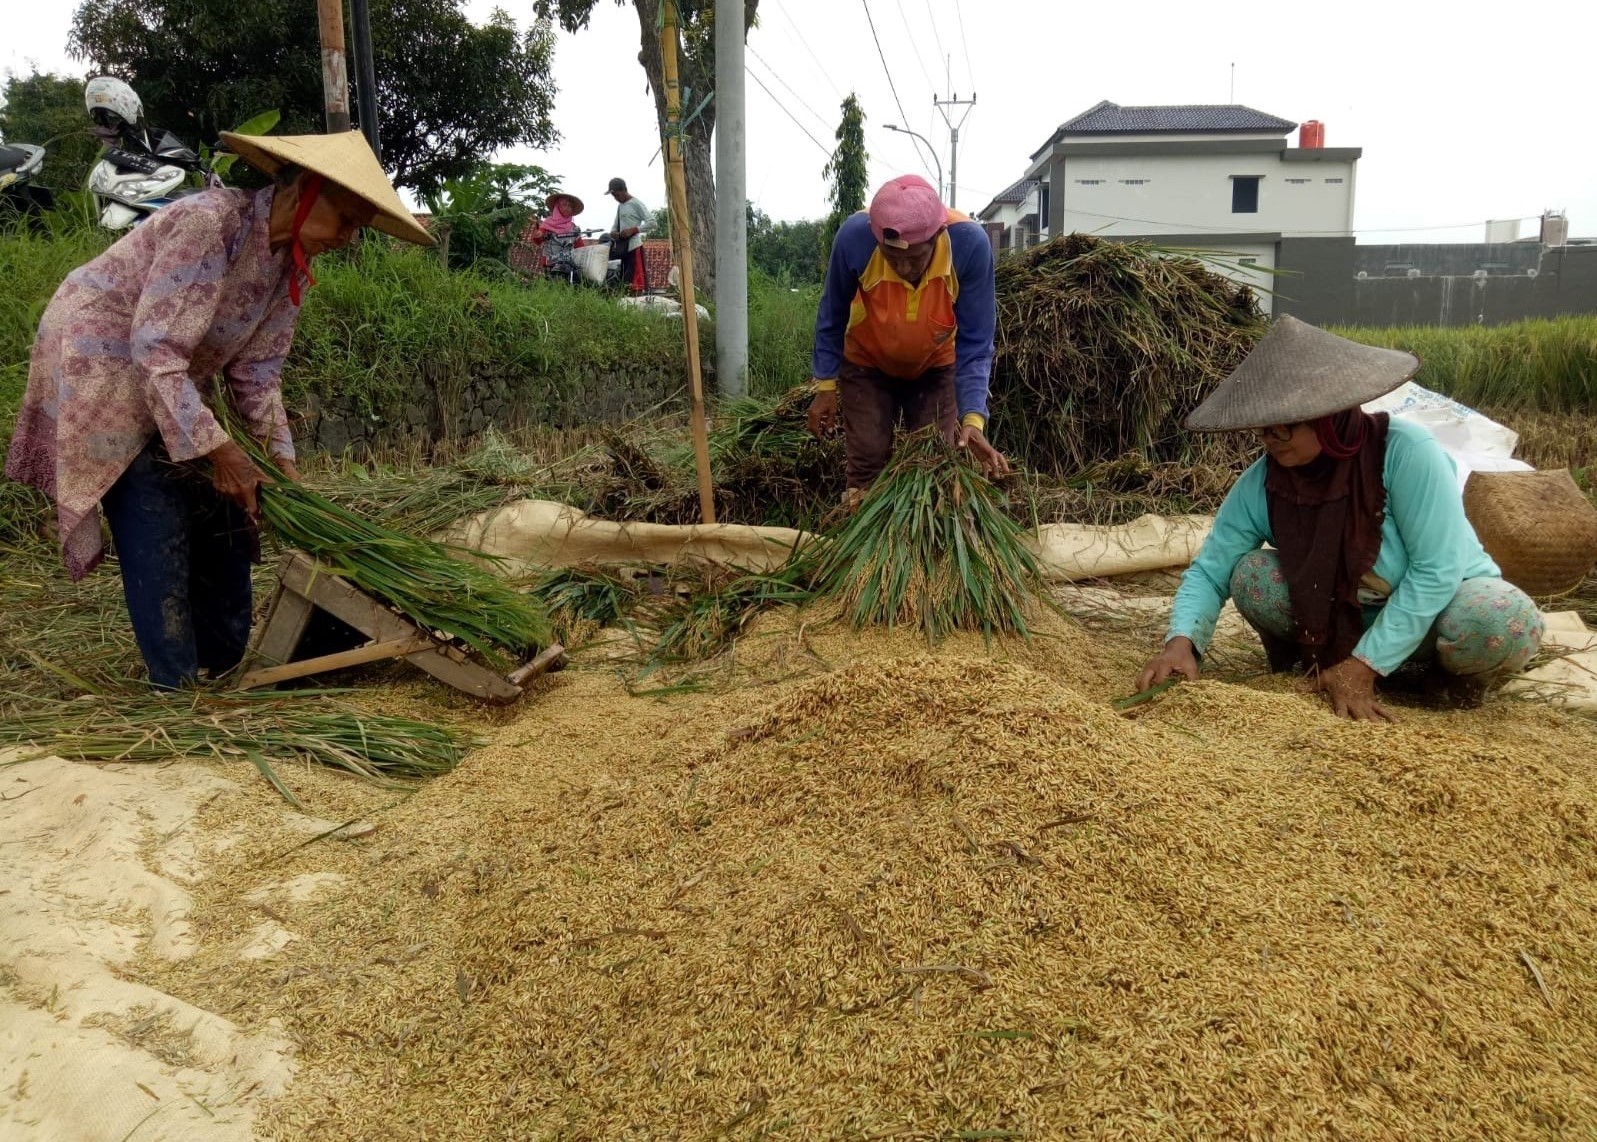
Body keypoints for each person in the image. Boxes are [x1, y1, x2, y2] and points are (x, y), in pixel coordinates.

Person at [5, 130, 435, 690]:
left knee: (227, 513)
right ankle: (175, 684)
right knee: (153, 505)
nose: (349, 238)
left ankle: (225, 659)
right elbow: (156, 350)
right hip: (100, 358)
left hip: (167, 371)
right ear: (305, 191)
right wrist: (223, 451)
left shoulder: (288, 270)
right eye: (347, 220)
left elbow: (257, 376)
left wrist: (282, 466)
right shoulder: (208, 223)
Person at [1136, 316, 1544, 721]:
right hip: (1342, 615)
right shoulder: (1263, 482)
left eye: (1283, 429)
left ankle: (1444, 684)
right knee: (1251, 573)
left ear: (1328, 418)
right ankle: (1311, 661)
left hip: (1439, 610)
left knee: (1502, 619)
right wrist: (1181, 643)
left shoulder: (1405, 452)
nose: (1269, 441)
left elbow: (1436, 570)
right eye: (1262, 431)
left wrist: (1366, 664)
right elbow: (1212, 569)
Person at [805, 174, 1009, 502]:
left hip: (935, 366)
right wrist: (825, 387)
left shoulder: (968, 246)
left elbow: (976, 341)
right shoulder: (855, 239)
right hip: (866, 364)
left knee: (932, 463)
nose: (903, 267)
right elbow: (832, 314)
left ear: (938, 235)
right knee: (867, 458)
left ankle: (923, 542)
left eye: (914, 258)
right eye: (892, 257)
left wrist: (973, 418)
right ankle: (861, 537)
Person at [606, 177, 649, 293]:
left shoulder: (636, 204)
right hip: (622, 248)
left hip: (634, 247)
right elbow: (615, 225)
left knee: (636, 281)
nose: (616, 198)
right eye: (614, 196)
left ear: (624, 190)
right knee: (624, 280)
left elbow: (652, 222)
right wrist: (613, 232)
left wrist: (634, 229)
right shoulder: (620, 207)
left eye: (617, 195)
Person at [530, 191, 584, 279]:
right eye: (564, 205)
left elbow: (580, 247)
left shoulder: (574, 229)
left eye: (569, 206)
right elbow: (537, 241)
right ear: (558, 206)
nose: (567, 208)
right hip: (550, 264)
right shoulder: (547, 223)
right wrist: (538, 235)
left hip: (568, 265)